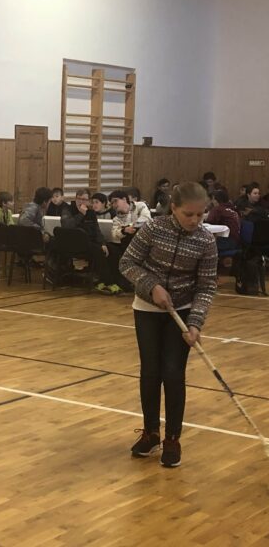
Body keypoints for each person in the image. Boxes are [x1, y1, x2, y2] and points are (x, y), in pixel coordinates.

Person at [119, 182, 218, 468]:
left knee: (173, 374)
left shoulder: (206, 241)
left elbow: (206, 286)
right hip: (147, 309)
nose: (195, 220)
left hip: (182, 312)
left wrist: (195, 322)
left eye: (200, 215)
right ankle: (151, 433)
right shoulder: (153, 229)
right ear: (173, 208)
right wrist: (152, 286)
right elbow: (127, 263)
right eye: (189, 214)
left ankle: (173, 438)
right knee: (150, 372)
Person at [60, 189, 119, 294]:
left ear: (88, 201)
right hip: (73, 244)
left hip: (89, 242)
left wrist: (103, 243)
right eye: (79, 199)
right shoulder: (68, 209)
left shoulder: (91, 212)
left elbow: (96, 230)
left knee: (112, 249)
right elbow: (67, 225)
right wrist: (81, 214)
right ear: (75, 199)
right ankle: (106, 282)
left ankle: (115, 280)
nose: (81, 202)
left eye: (84, 199)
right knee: (98, 251)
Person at [107, 190, 153, 291]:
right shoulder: (116, 218)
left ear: (124, 199)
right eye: (112, 203)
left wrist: (131, 226)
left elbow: (146, 219)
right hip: (129, 244)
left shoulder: (140, 206)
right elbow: (114, 234)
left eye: (115, 201)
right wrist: (124, 230)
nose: (114, 205)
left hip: (147, 240)